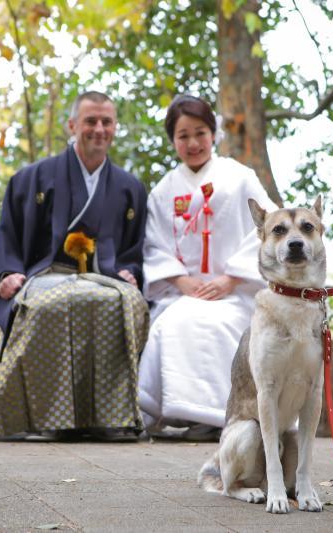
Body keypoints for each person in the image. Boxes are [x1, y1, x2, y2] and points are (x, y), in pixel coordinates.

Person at [0, 91, 149, 442]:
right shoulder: (31, 179)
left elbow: (134, 248)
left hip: (105, 279)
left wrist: (131, 270)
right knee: (50, 305)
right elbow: (8, 235)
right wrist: (6, 273)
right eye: (90, 121)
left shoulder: (130, 188)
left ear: (115, 127)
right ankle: (50, 417)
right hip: (45, 275)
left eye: (106, 122)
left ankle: (111, 417)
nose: (99, 129)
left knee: (124, 303)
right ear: (72, 125)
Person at [137, 95, 276, 440]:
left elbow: (268, 226)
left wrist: (230, 278)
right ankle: (186, 412)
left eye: (200, 133)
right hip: (184, 293)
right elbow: (154, 244)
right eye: (183, 136)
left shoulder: (240, 178)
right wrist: (182, 281)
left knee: (214, 323)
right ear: (173, 140)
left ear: (214, 133)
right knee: (170, 323)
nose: (193, 143)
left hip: (236, 292)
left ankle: (221, 415)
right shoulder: (164, 191)